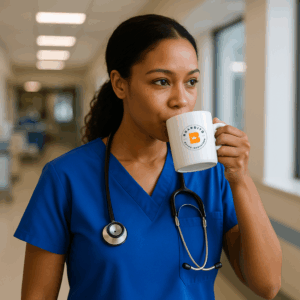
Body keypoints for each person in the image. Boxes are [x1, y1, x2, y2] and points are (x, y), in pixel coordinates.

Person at [13, 14, 281, 300]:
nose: (181, 99)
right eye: (162, 81)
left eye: (191, 81)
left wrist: (241, 179)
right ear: (120, 85)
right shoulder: (66, 176)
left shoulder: (213, 174)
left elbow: (266, 285)